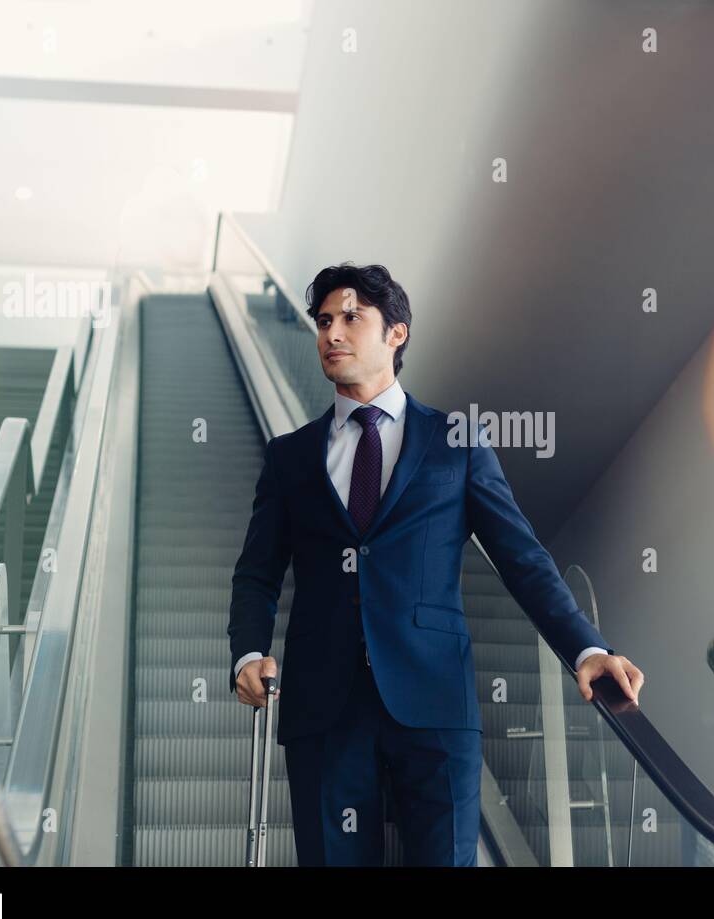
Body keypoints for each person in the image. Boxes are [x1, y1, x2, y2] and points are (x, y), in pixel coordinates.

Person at [227, 262, 644, 865]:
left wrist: (587, 648)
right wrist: (246, 650)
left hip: (434, 707)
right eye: (323, 321)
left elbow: (521, 558)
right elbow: (256, 572)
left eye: (351, 318)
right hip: (323, 709)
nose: (331, 334)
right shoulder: (290, 457)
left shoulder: (458, 442)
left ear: (396, 334)